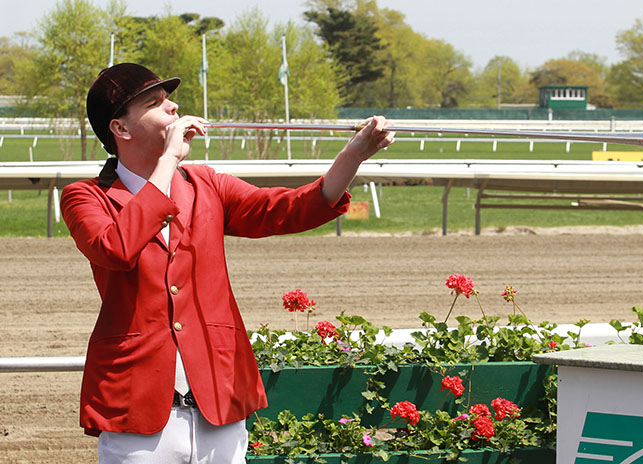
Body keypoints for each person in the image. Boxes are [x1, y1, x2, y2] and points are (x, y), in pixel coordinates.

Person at [60, 62, 394, 463]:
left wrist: (353, 155)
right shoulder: (84, 197)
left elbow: (288, 209)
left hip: (220, 399)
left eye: (169, 100)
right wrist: (167, 161)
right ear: (121, 129)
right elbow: (115, 248)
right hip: (135, 411)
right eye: (154, 103)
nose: (173, 108)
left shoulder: (207, 184)